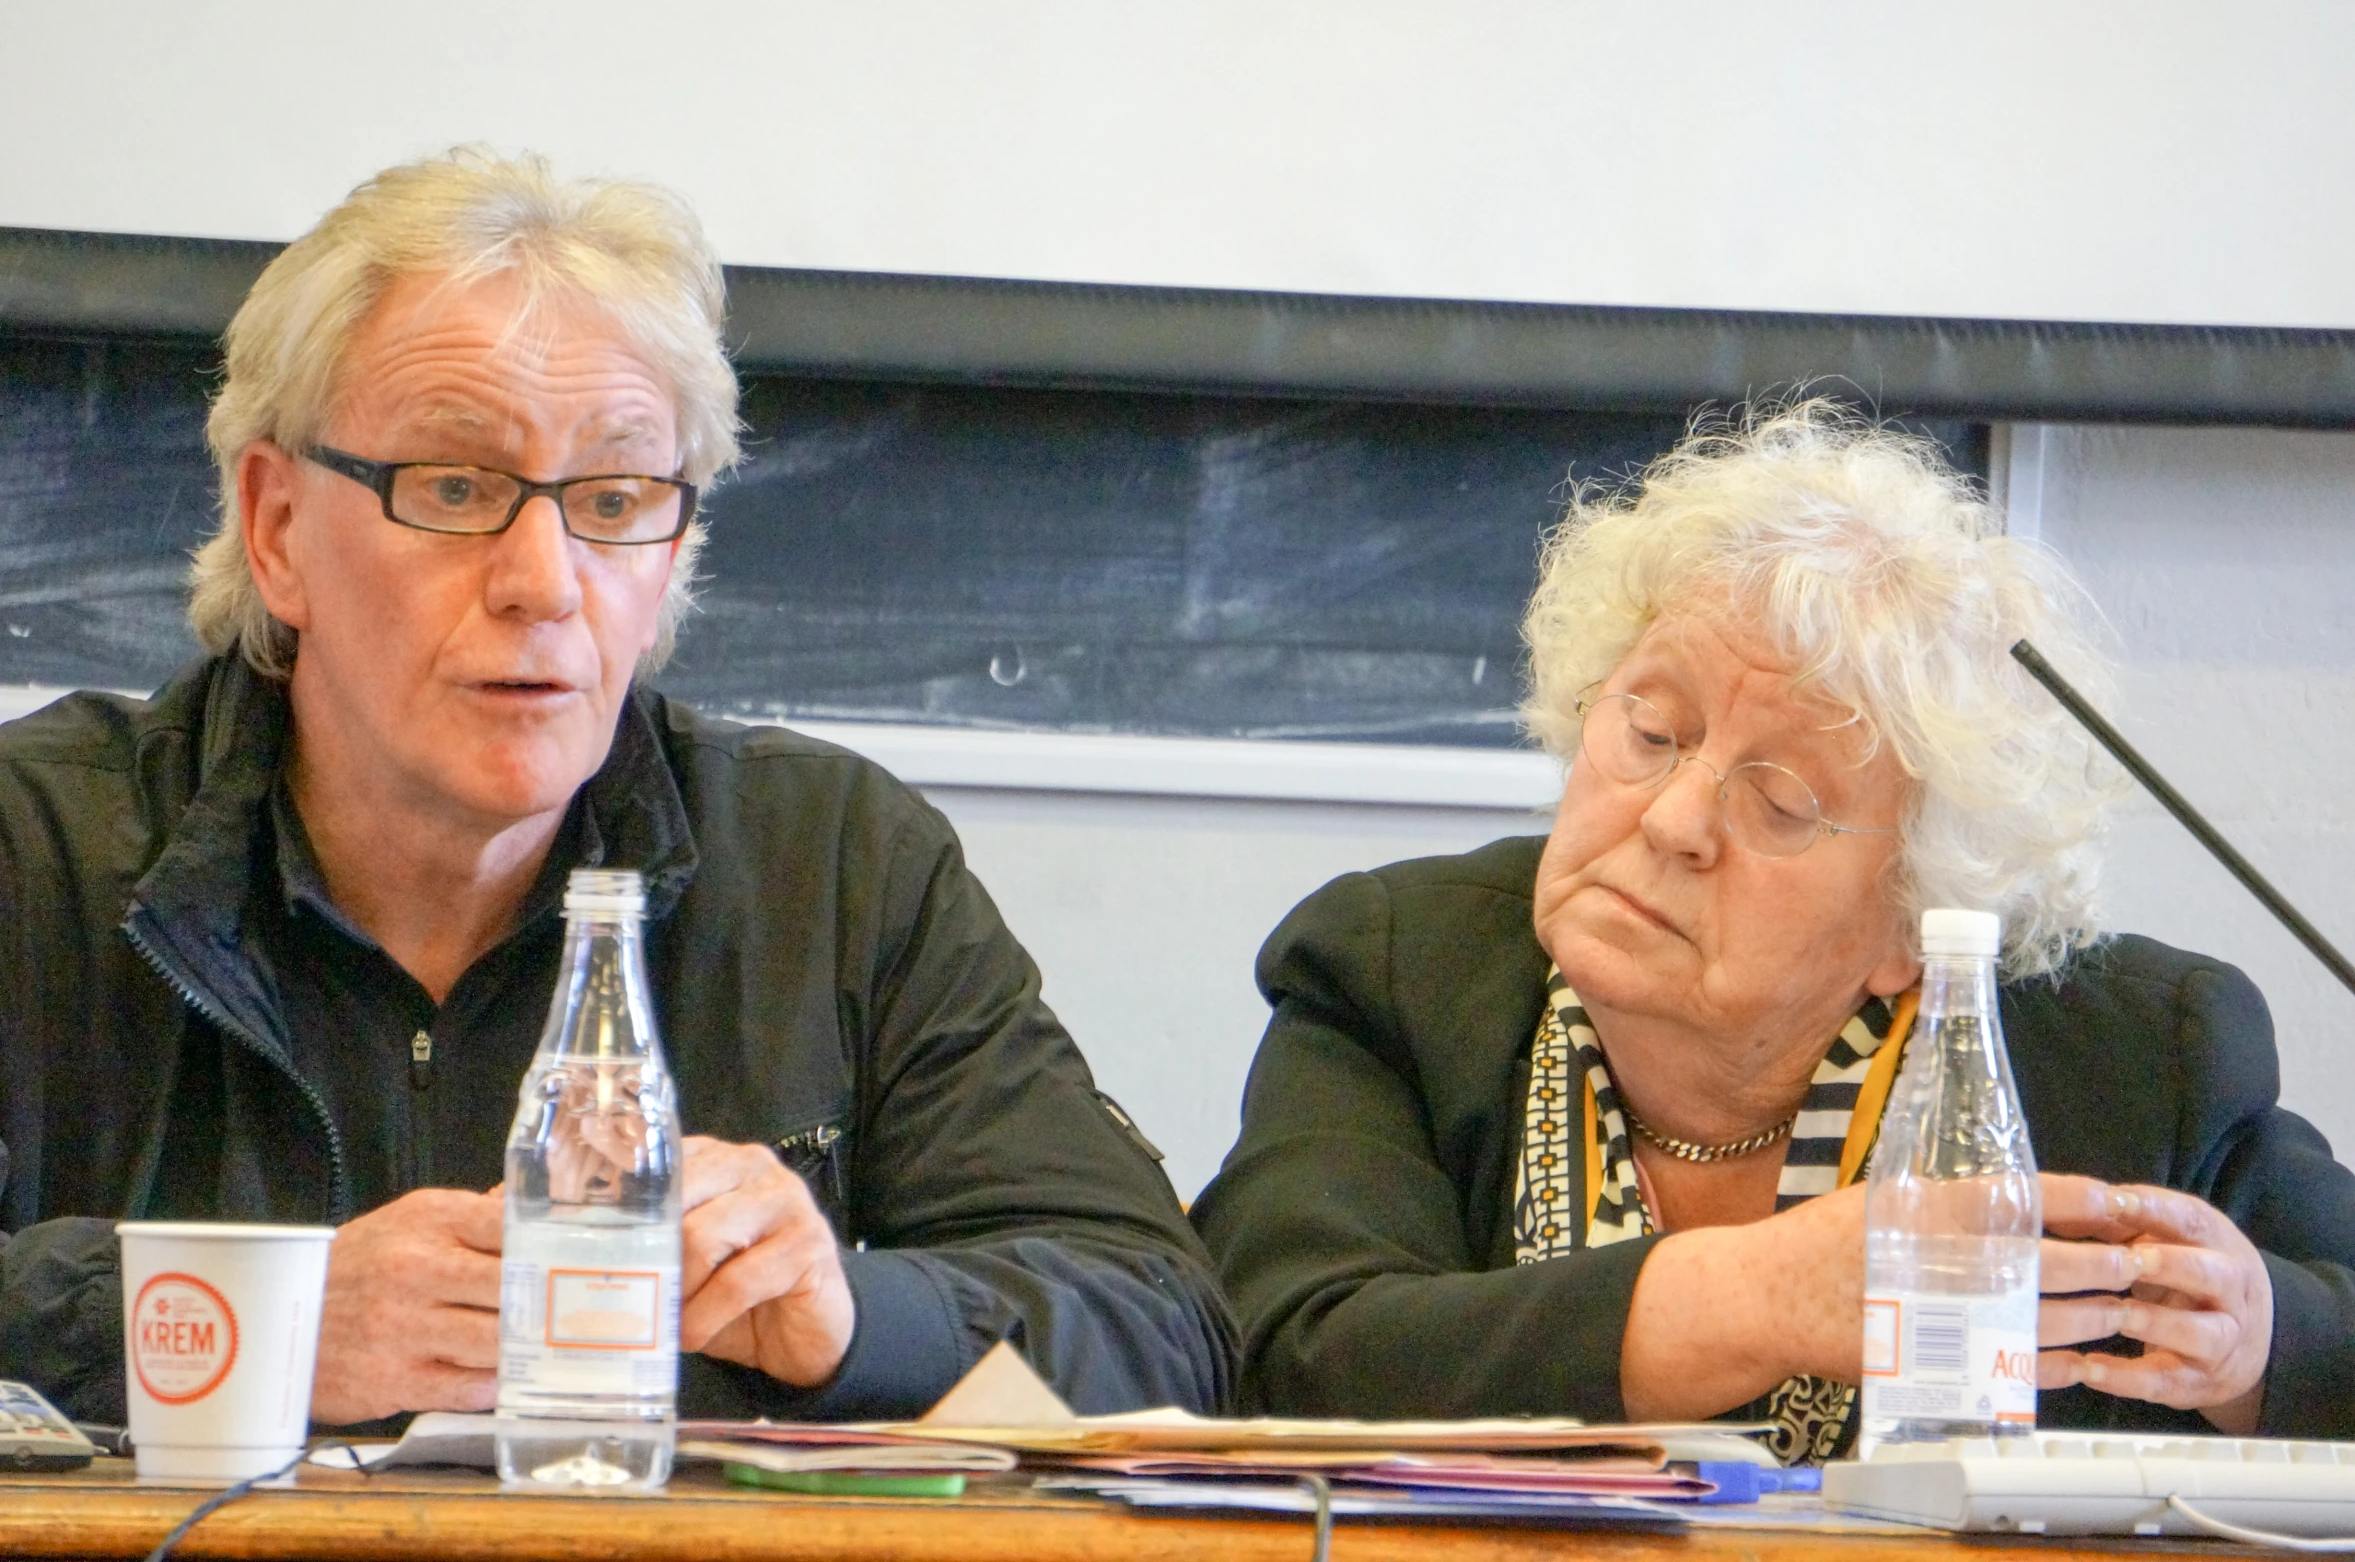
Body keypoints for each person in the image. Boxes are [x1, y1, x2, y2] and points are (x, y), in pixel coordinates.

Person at [0, 148, 1232, 1429]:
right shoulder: (34, 844)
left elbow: (1165, 1321)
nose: (544, 578)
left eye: (613, 498)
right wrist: (256, 1319)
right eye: (457, 487)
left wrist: (855, 1315)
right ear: (277, 527)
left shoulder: (838, 865)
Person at [1191, 401, 2355, 1460]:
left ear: (1916, 911)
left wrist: (2262, 1349)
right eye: (1650, 731)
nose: (1676, 817)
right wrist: (1756, 1295)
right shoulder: (1396, 968)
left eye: (1781, 801)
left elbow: (2329, 1327)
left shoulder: (2133, 1058)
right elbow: (1283, 1354)